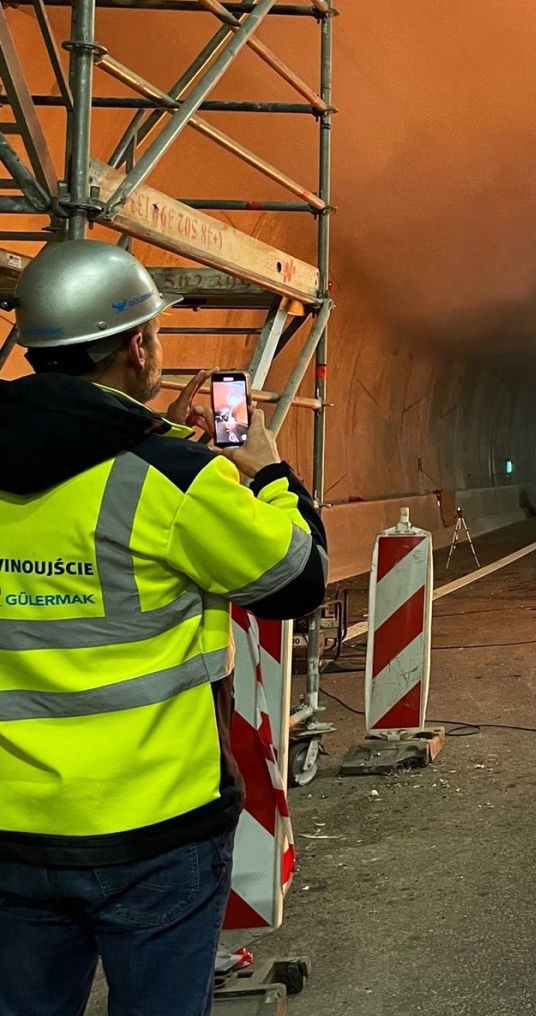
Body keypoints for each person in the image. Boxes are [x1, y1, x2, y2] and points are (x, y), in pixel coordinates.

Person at [0, 240, 328, 1016]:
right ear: (138, 344)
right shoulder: (173, 479)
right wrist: (271, 473)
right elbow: (295, 579)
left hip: (14, 824)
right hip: (155, 828)